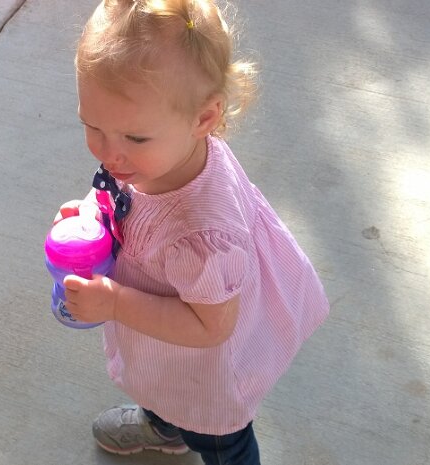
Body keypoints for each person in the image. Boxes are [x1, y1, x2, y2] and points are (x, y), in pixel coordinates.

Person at [54, 1, 330, 464]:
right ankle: (165, 424)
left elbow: (209, 326)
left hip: (205, 371)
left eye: (134, 137)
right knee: (163, 386)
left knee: (222, 442)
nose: (109, 154)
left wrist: (115, 303)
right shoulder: (161, 153)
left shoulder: (199, 232)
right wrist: (90, 217)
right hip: (167, 353)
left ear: (204, 119)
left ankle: (187, 427)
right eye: (91, 125)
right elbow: (118, 195)